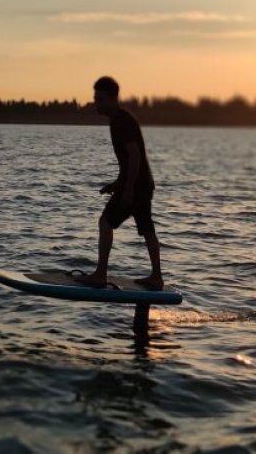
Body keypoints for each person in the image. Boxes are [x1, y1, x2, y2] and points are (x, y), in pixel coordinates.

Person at [76, 76, 164, 329]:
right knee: (147, 228)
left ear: (112, 98)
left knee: (106, 222)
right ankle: (156, 277)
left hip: (136, 186)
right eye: (95, 99)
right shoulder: (121, 119)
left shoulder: (121, 122)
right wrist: (116, 184)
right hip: (143, 184)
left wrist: (126, 191)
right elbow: (129, 161)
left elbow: (134, 156)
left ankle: (100, 273)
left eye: (99, 99)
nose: (96, 103)